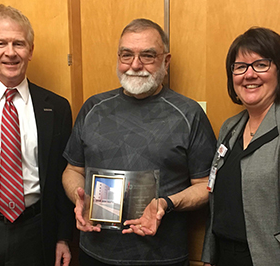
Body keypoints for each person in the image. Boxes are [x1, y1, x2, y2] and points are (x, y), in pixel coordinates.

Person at [62, 18, 216, 266]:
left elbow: (207, 186)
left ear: (166, 61)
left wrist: (166, 204)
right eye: (126, 55)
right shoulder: (93, 108)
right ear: (118, 58)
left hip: (162, 257)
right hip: (95, 253)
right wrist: (79, 197)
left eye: (147, 55)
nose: (135, 65)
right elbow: (72, 170)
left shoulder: (189, 114)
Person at [0, 4, 74, 266]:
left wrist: (63, 237)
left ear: (30, 51)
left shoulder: (56, 107)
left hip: (37, 232)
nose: (10, 53)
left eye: (19, 44)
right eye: (0, 43)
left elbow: (63, 175)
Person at [201, 27, 280, 266]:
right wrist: (208, 256)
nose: (249, 74)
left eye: (261, 64)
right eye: (240, 67)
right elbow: (215, 197)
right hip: (224, 255)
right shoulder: (230, 128)